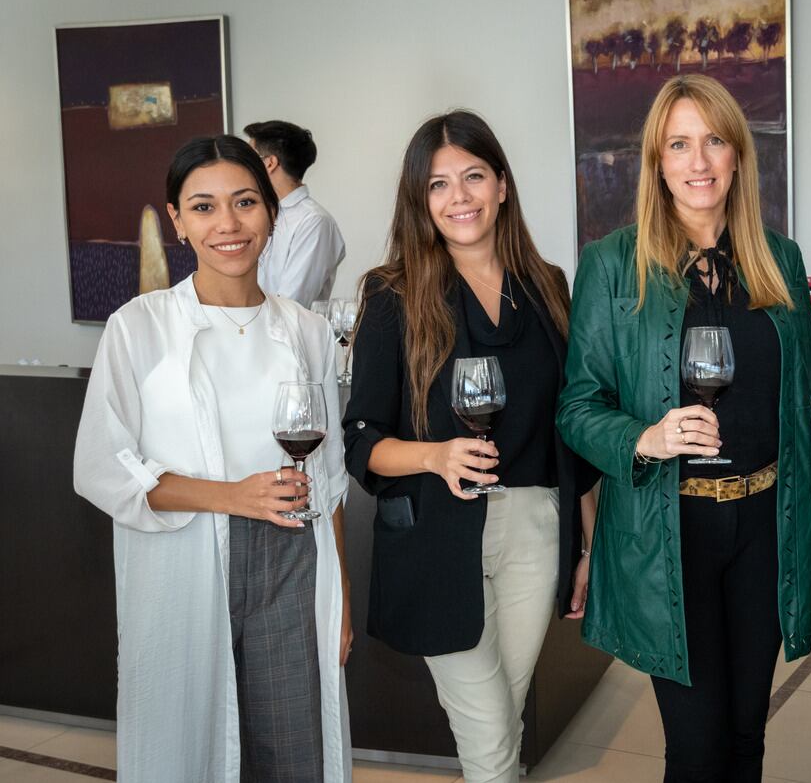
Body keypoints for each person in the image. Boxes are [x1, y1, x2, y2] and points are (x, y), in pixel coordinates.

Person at [557, 74, 811, 782]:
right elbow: (577, 407)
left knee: (747, 739)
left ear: (738, 156)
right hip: (669, 534)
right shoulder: (611, 266)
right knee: (696, 748)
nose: (698, 162)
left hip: (766, 527)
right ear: (657, 163)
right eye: (679, 145)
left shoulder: (779, 260)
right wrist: (645, 438)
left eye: (714, 141)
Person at [73, 135, 353, 781]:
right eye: (203, 207)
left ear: (272, 213)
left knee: (293, 751)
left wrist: (336, 598)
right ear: (176, 220)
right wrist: (231, 496)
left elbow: (329, 477)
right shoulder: (139, 328)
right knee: (190, 749)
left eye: (246, 202)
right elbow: (102, 466)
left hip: (292, 566)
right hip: (185, 561)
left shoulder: (307, 332)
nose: (227, 224)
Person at [342, 110, 597, 783]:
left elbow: (569, 427)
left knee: (501, 722)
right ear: (419, 201)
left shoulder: (548, 286)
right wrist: (434, 455)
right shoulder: (392, 293)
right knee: (488, 737)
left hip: (536, 529)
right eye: (437, 185)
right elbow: (361, 441)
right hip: (435, 537)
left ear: (503, 186)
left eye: (473, 177)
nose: (458, 198)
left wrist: (584, 544)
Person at [246, 119, 346, 306]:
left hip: (288, 333)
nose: (243, 168)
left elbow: (291, 303)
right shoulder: (259, 213)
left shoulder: (314, 221)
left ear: (269, 163)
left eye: (249, 160)